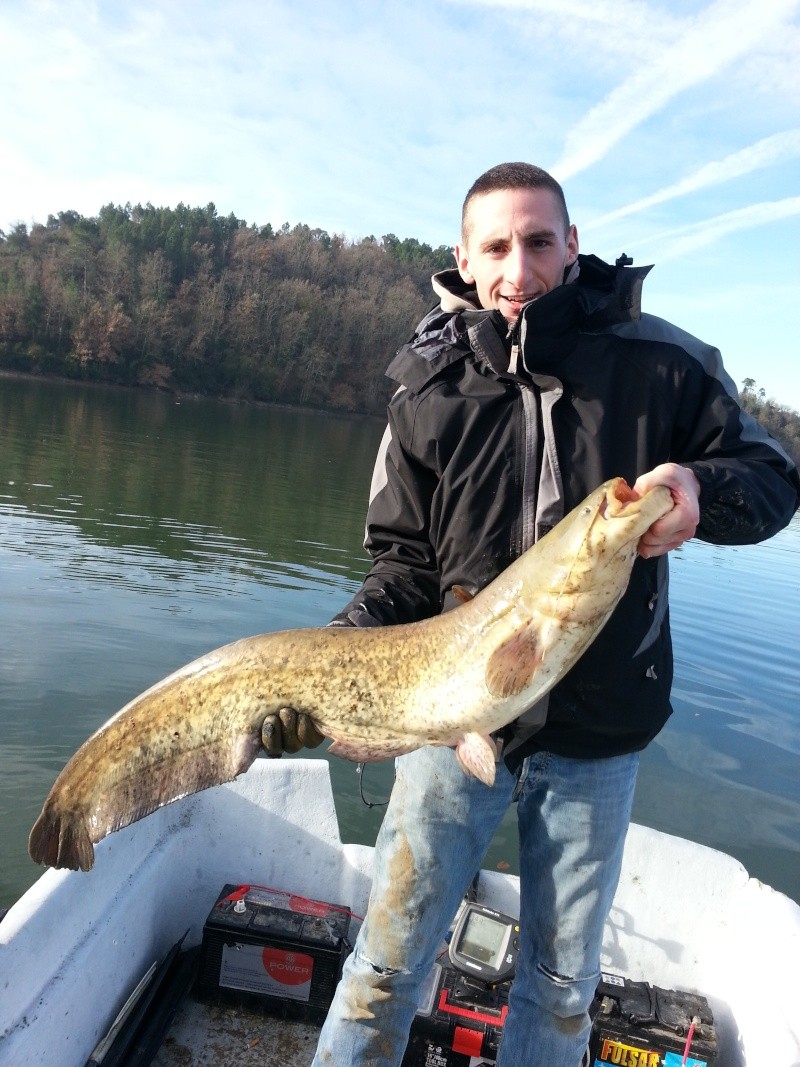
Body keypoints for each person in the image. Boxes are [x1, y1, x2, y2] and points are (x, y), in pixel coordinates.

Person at [263, 162, 800, 1066]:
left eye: (540, 242)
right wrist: (339, 659)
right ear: (466, 262)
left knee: (558, 993)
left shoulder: (663, 365)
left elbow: (776, 476)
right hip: (449, 726)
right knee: (386, 965)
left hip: (597, 737)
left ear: (573, 245)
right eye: (499, 247)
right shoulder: (424, 392)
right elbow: (401, 566)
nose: (521, 268)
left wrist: (701, 489)